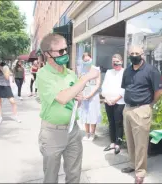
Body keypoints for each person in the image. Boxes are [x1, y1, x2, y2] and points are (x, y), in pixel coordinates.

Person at [36, 33, 99, 183]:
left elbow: (76, 98)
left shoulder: (70, 74)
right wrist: (85, 78)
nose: (64, 54)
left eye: (65, 49)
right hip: (52, 133)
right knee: (51, 176)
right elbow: (63, 98)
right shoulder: (43, 75)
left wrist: (80, 98)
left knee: (74, 173)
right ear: (47, 54)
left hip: (73, 130)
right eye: (60, 51)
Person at [121, 45, 162, 184]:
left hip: (142, 109)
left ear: (142, 54)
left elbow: (159, 92)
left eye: (137, 53)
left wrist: (149, 105)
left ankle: (140, 171)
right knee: (130, 141)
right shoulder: (127, 70)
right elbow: (127, 88)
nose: (134, 55)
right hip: (127, 109)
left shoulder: (151, 70)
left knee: (141, 143)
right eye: (131, 53)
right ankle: (133, 165)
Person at [101, 54, 125, 154]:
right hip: (108, 101)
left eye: (116, 61)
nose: (114, 63)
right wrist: (106, 98)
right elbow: (104, 86)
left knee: (118, 123)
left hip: (119, 101)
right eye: (113, 61)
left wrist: (115, 99)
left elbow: (125, 88)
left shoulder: (125, 72)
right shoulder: (109, 72)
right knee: (111, 122)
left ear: (121, 61)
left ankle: (118, 144)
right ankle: (112, 143)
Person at [79, 52, 102, 141]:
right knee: (85, 113)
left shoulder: (96, 69)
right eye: (85, 60)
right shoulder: (82, 70)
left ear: (91, 59)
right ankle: (87, 133)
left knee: (93, 113)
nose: (87, 62)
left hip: (93, 94)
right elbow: (80, 82)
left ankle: (93, 133)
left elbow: (98, 84)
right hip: (84, 93)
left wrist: (90, 94)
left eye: (88, 60)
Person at [0, 59, 21, 124]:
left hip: (6, 86)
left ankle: (15, 116)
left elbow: (7, 77)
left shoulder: (5, 67)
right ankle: (0, 118)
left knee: (13, 102)